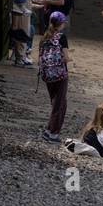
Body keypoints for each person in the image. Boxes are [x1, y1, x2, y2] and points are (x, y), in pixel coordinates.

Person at [37, 11, 71, 142]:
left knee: (55, 102)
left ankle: (49, 130)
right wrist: (70, 58)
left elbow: (40, 57)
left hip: (48, 75)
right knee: (60, 104)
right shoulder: (62, 37)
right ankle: (52, 133)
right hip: (60, 75)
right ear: (61, 23)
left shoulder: (44, 37)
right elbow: (66, 58)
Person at [8, 0, 33, 66]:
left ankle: (19, 56)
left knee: (22, 32)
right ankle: (20, 58)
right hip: (19, 9)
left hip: (18, 8)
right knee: (22, 34)